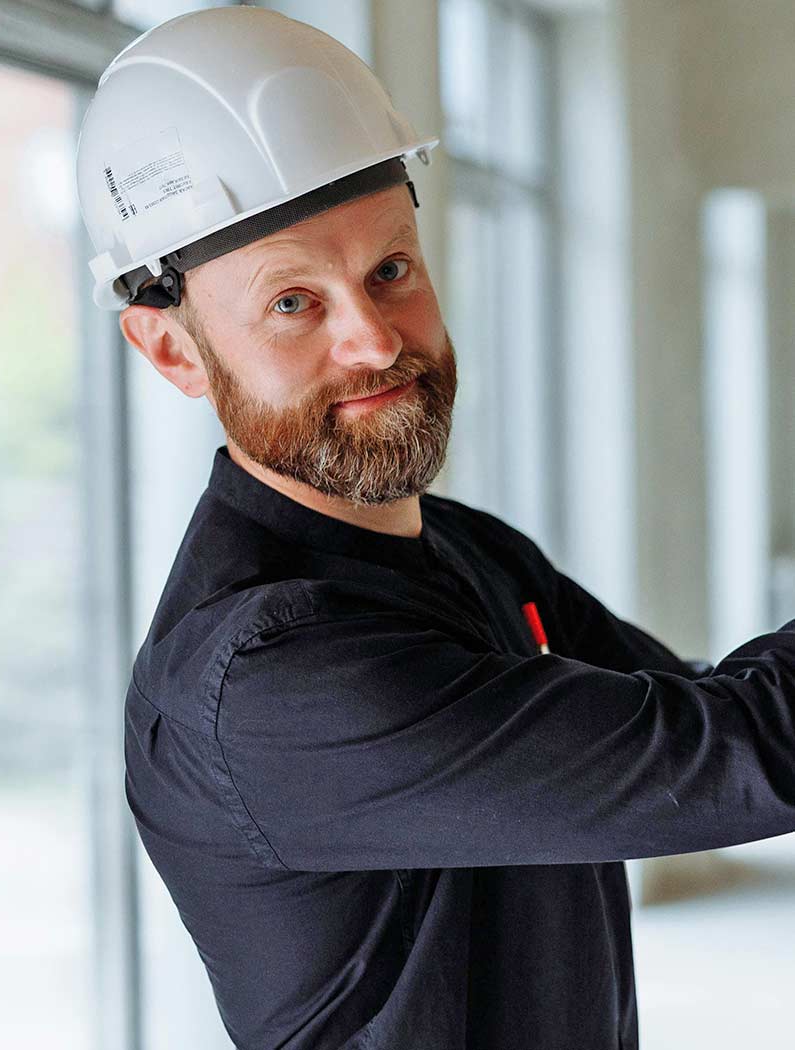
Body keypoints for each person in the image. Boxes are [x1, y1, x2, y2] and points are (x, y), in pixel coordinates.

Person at [75, 7, 795, 1050]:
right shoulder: (270, 676)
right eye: (292, 303)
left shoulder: (461, 546)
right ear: (174, 353)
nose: (373, 339)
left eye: (391, 271)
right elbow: (738, 751)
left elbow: (693, 711)